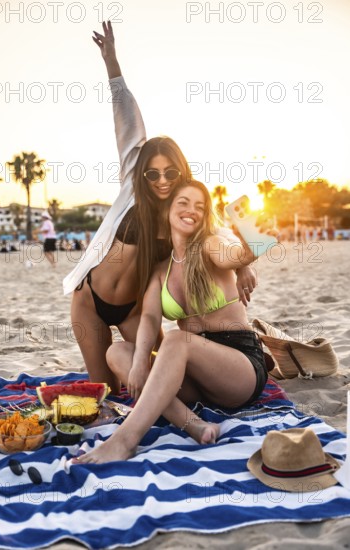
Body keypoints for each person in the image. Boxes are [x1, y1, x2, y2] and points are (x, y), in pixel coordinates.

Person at [64, 22, 257, 395]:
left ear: (180, 171)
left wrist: (245, 264)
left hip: (136, 309)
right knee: (104, 392)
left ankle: (237, 374)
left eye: (170, 172)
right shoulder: (131, 185)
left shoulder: (182, 208)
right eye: (153, 174)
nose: (162, 180)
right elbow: (126, 119)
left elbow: (216, 229)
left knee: (153, 379)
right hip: (90, 300)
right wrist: (112, 63)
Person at [74, 180, 269, 465]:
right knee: (117, 352)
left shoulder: (210, 245)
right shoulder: (158, 271)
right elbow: (151, 318)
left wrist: (251, 249)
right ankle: (194, 424)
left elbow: (234, 255)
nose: (191, 210)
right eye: (183, 203)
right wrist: (140, 361)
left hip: (238, 366)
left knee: (178, 339)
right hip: (194, 377)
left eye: (200, 207)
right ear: (167, 210)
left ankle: (125, 440)